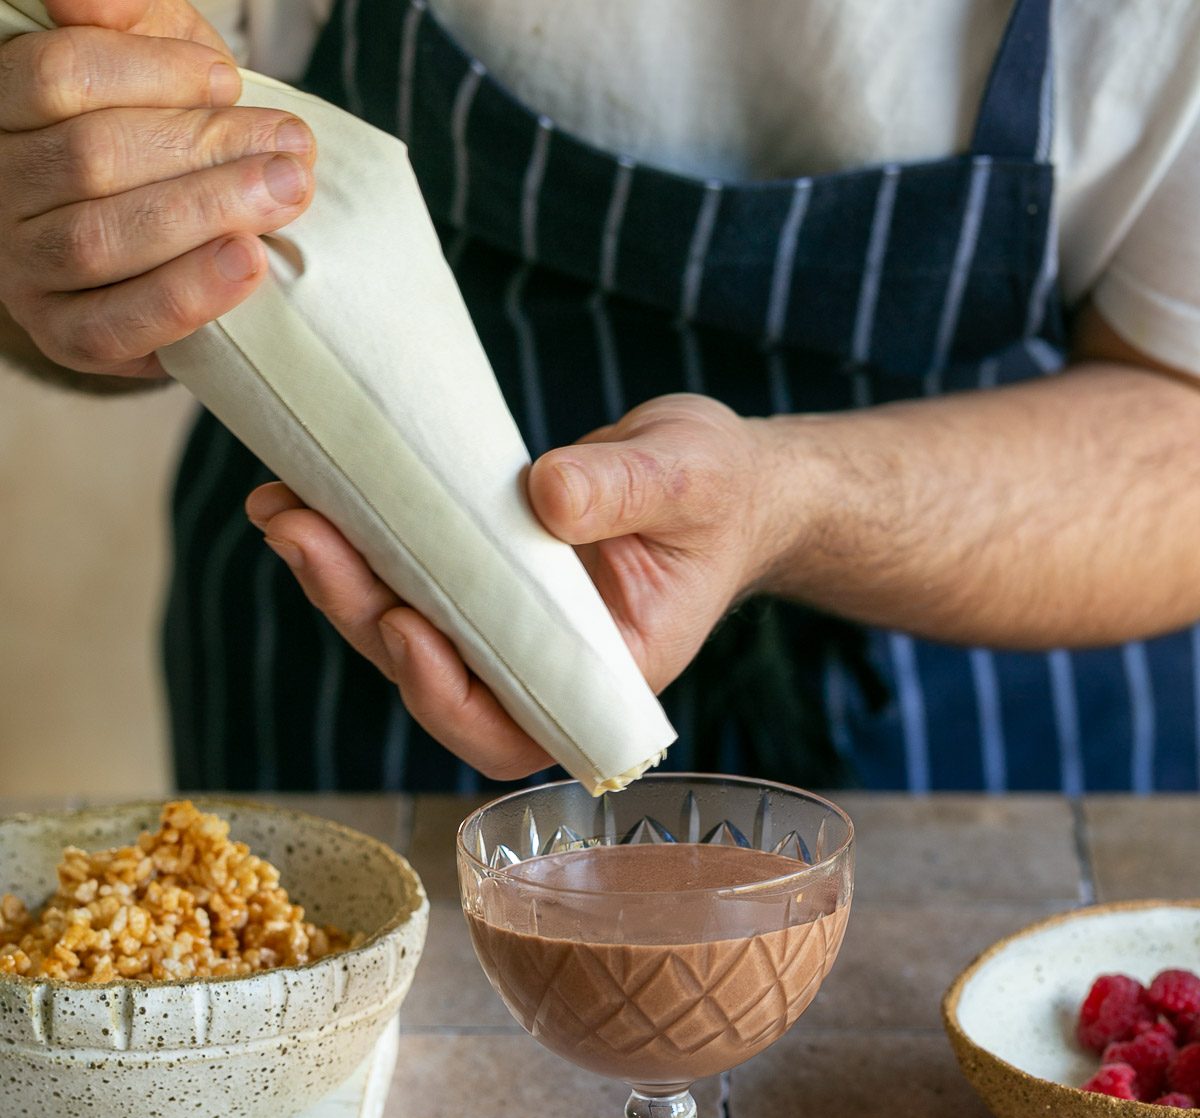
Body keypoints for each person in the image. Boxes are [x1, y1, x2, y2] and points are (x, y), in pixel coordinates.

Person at [2, 0, 1200, 795]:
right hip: (364, 677)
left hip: (992, 722)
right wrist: (70, 251)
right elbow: (89, 190)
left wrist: (790, 501)